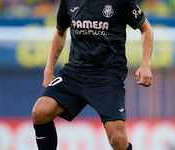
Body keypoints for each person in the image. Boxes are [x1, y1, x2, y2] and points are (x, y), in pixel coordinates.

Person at [32, 0, 153, 149]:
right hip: (75, 72)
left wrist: (145, 64)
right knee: (40, 112)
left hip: (107, 75)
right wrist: (48, 69)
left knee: (116, 138)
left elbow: (146, 29)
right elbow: (59, 32)